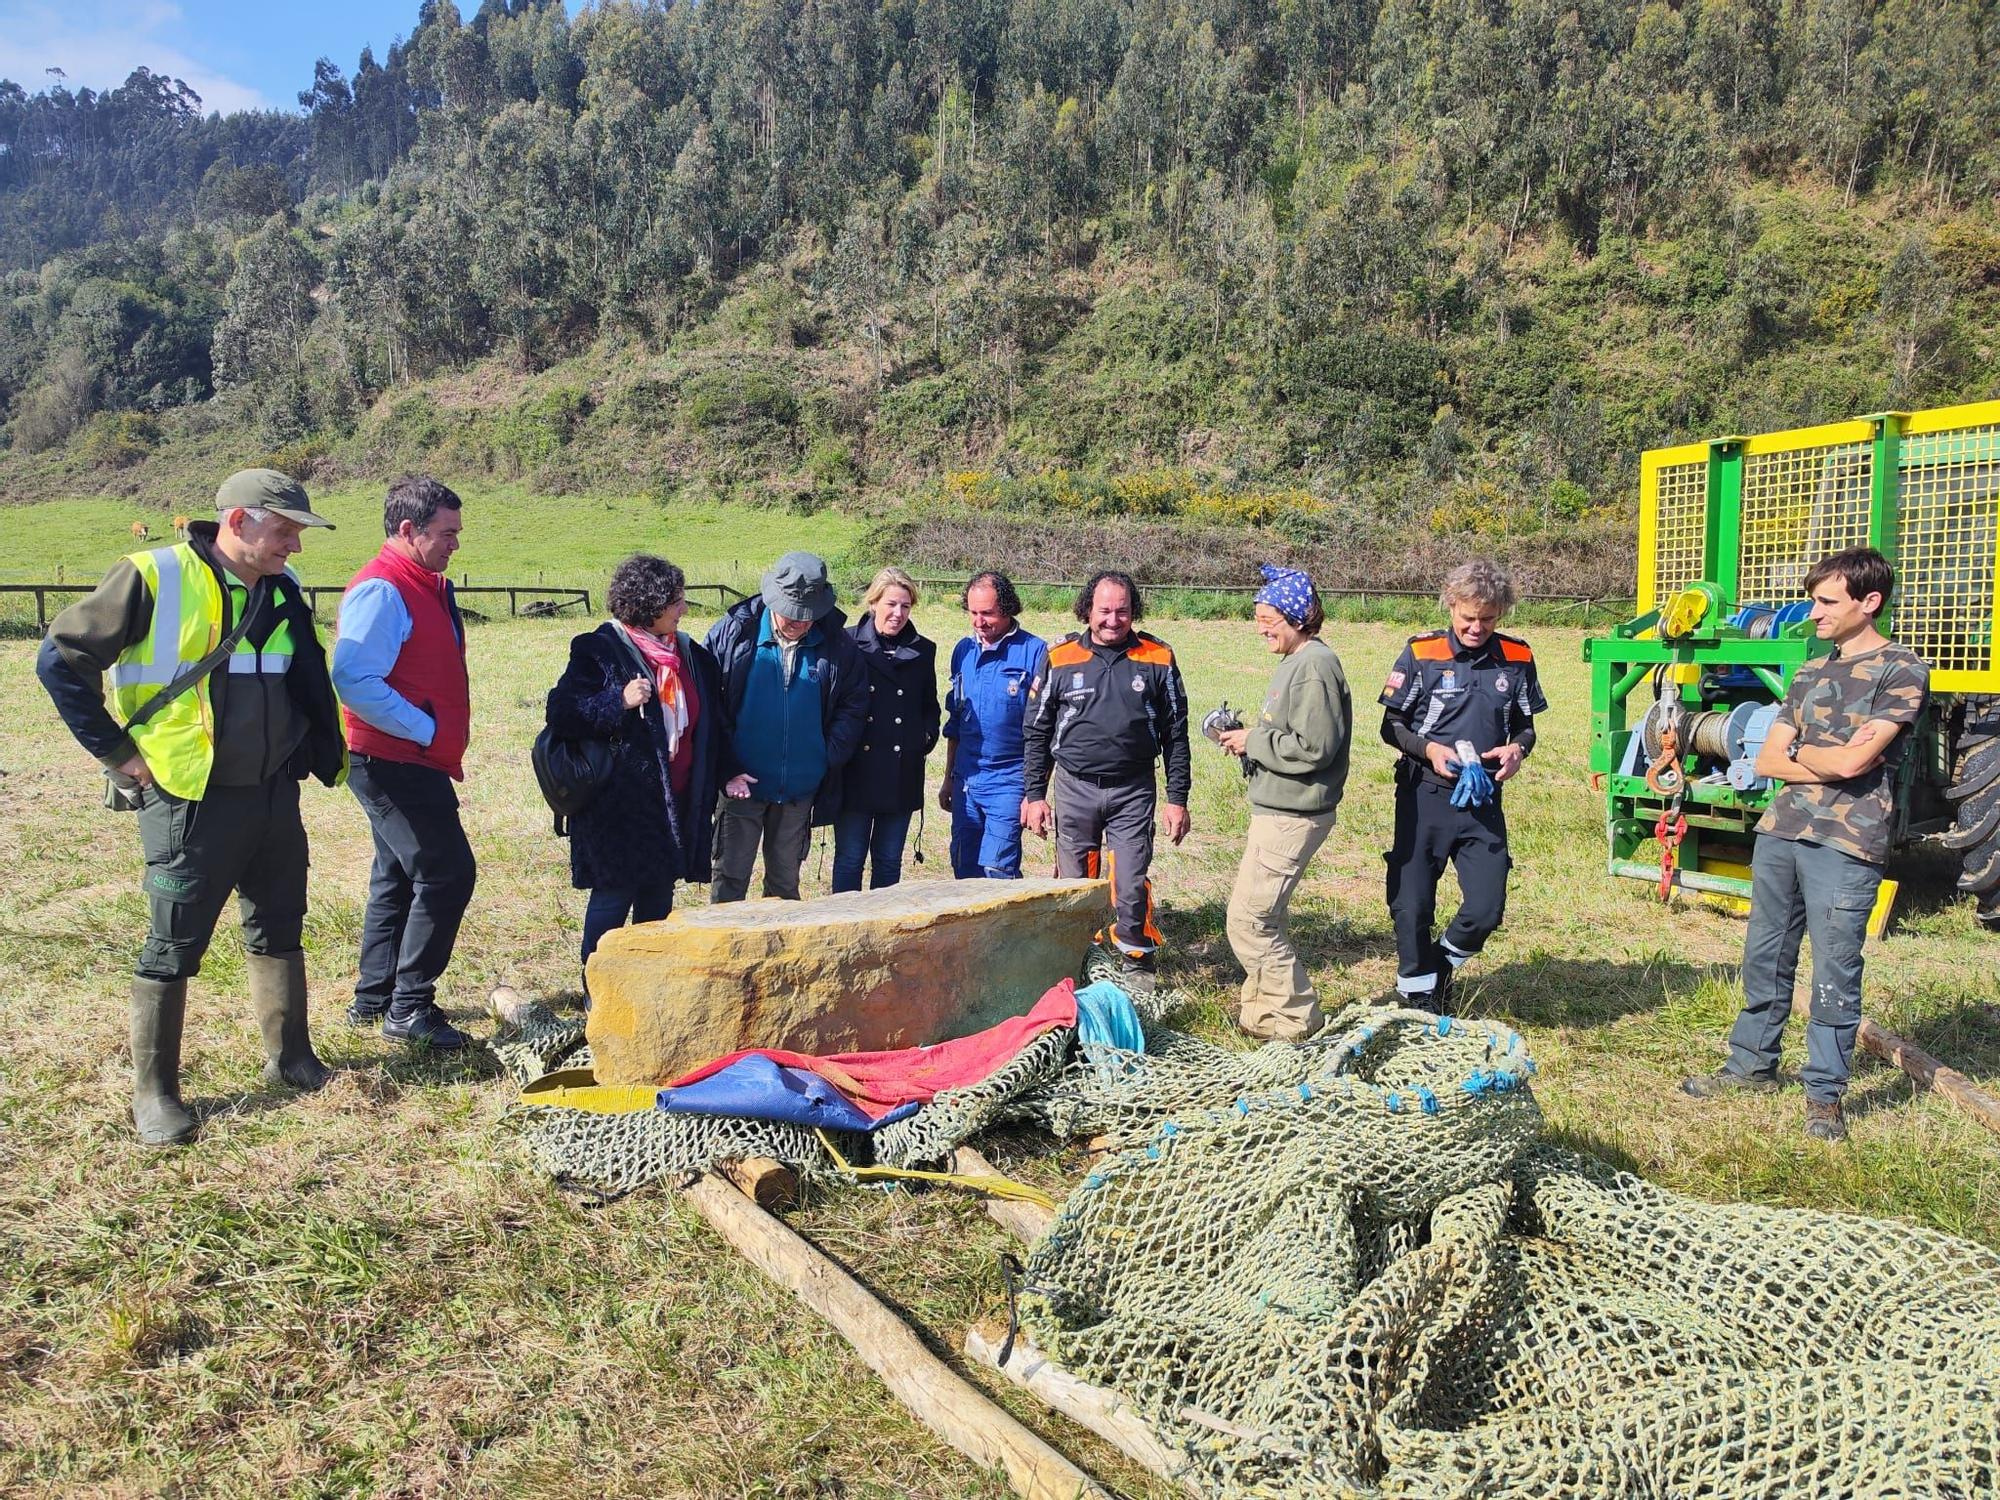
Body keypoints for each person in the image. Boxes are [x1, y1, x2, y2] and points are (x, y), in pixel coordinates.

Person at [36, 469, 347, 1145]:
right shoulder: (152, 575)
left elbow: (301, 678)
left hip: (272, 793)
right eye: (284, 529)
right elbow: (61, 661)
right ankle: (157, 1096)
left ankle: (289, 1058)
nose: (295, 544)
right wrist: (118, 754)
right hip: (188, 796)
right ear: (238, 521)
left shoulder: (283, 589)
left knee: (280, 922)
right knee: (172, 942)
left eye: (299, 531)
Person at [1682, 547, 1929, 1143]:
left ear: (1869, 603)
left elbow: (1855, 763)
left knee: (1835, 972)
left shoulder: (1901, 670)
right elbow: (1766, 756)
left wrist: (1808, 756)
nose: (1813, 613)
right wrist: (1823, 760)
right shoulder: (1810, 672)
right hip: (1781, 832)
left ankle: (1824, 1096)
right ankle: (1751, 1065)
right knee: (1764, 957)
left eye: (1826, 602)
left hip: (1846, 841)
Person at [331, 475, 476, 1050]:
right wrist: (427, 729)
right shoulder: (384, 589)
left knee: (395, 874)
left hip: (411, 756)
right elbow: (352, 678)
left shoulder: (425, 582)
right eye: (446, 533)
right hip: (393, 758)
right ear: (409, 530)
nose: (455, 545)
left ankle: (375, 997)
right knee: (446, 872)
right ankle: (409, 1007)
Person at [546, 555, 724, 989]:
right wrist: (618, 701)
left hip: (671, 803)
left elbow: (714, 724)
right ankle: (599, 991)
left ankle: (645, 989)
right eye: (676, 602)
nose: (683, 610)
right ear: (649, 605)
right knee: (613, 896)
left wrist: (727, 773)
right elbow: (563, 714)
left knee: (658, 898)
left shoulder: (690, 655)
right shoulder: (597, 649)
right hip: (618, 808)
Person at [1379, 559, 1547, 1007]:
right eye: (1468, 617)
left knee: (1487, 908)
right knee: (1412, 905)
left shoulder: (1518, 656)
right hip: (1424, 794)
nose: (1476, 628)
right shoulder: (1421, 652)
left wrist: (1518, 749)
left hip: (1482, 798)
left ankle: (1442, 965)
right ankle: (1418, 999)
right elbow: (1390, 726)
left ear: (1501, 614)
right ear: (1451, 606)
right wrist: (1429, 750)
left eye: (1487, 619)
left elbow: (1525, 725)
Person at [1021, 571, 1192, 980]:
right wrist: (1034, 795)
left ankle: (1136, 963)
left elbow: (1176, 733)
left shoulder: (1158, 657)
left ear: (1134, 612)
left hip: (1133, 790)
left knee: (1129, 884)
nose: (1113, 620)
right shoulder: (1059, 657)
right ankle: (1077, 963)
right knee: (1075, 885)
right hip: (1074, 787)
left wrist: (1177, 798)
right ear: (1087, 610)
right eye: (1104, 611)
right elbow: (1037, 731)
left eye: (1122, 611)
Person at [1214, 566, 1353, 1041]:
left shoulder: (1314, 666)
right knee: (1257, 915)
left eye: (1268, 617)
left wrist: (1255, 741)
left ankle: (1295, 1019)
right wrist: (1250, 740)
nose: (1260, 626)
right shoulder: (1297, 661)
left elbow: (1315, 747)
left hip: (1294, 814)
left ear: (1296, 617)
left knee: (1250, 921)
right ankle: (1261, 1017)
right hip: (1279, 809)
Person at [704, 552, 868, 902]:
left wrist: (825, 756)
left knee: (784, 884)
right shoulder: (734, 633)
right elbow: (708, 704)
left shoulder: (839, 644)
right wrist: (726, 767)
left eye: (808, 614)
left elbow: (854, 704)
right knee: (730, 881)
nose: (800, 621)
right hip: (740, 786)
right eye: (792, 612)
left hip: (799, 789)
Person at [833, 567, 941, 892]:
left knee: (889, 859)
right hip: (856, 772)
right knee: (850, 858)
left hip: (901, 771)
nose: (898, 613)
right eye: (891, 604)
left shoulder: (924, 650)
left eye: (905, 606)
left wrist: (924, 735)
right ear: (873, 602)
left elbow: (929, 705)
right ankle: (844, 928)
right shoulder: (847, 643)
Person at [941, 570, 1047, 880]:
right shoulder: (962, 651)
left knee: (998, 870)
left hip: (1009, 780)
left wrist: (1034, 793)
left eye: (987, 613)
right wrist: (949, 779)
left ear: (1009, 609)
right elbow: (956, 723)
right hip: (966, 781)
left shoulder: (1035, 652)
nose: (978, 621)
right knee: (964, 867)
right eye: (973, 612)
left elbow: (1041, 731)